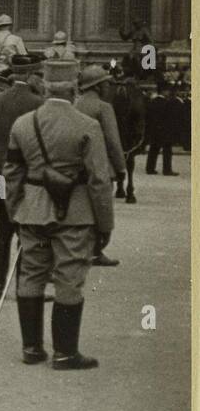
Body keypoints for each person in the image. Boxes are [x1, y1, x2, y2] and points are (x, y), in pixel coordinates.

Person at [3, 58, 113, 370]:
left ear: (45, 84)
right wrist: (105, 224)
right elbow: (99, 181)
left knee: (32, 274)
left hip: (32, 211)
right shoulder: (87, 126)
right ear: (75, 87)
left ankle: (32, 348)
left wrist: (16, 209)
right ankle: (65, 353)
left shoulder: (23, 124)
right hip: (75, 214)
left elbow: (11, 172)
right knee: (69, 277)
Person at [0, 54, 44, 298]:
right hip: (28, 177)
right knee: (27, 232)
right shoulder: (38, 103)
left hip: (0, 175)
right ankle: (23, 285)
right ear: (29, 75)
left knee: (3, 232)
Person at [75, 65, 127, 266]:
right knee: (102, 209)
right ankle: (97, 251)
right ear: (98, 86)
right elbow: (113, 141)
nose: (109, 86)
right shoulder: (104, 107)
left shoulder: (76, 104)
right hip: (101, 165)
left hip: (79, 167)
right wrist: (121, 167)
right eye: (106, 83)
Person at [145, 82, 177, 175]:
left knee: (153, 149)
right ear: (164, 91)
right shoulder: (167, 103)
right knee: (167, 150)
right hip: (165, 129)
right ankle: (167, 170)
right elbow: (169, 118)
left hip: (154, 129)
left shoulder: (153, 102)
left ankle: (150, 168)